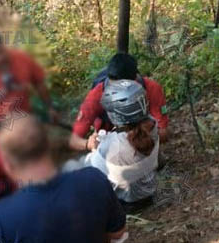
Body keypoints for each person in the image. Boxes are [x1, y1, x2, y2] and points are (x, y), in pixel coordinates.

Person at [67, 79, 160, 211]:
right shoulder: (153, 125)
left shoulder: (112, 146)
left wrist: (95, 147)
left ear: (116, 114)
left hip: (126, 201)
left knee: (72, 168)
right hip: (148, 191)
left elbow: (91, 169)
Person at [68, 52, 169, 152]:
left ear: (135, 79)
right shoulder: (96, 96)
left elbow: (163, 132)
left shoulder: (151, 89)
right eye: (113, 87)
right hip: (108, 142)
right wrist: (88, 144)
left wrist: (140, 138)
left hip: (143, 138)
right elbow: (73, 140)